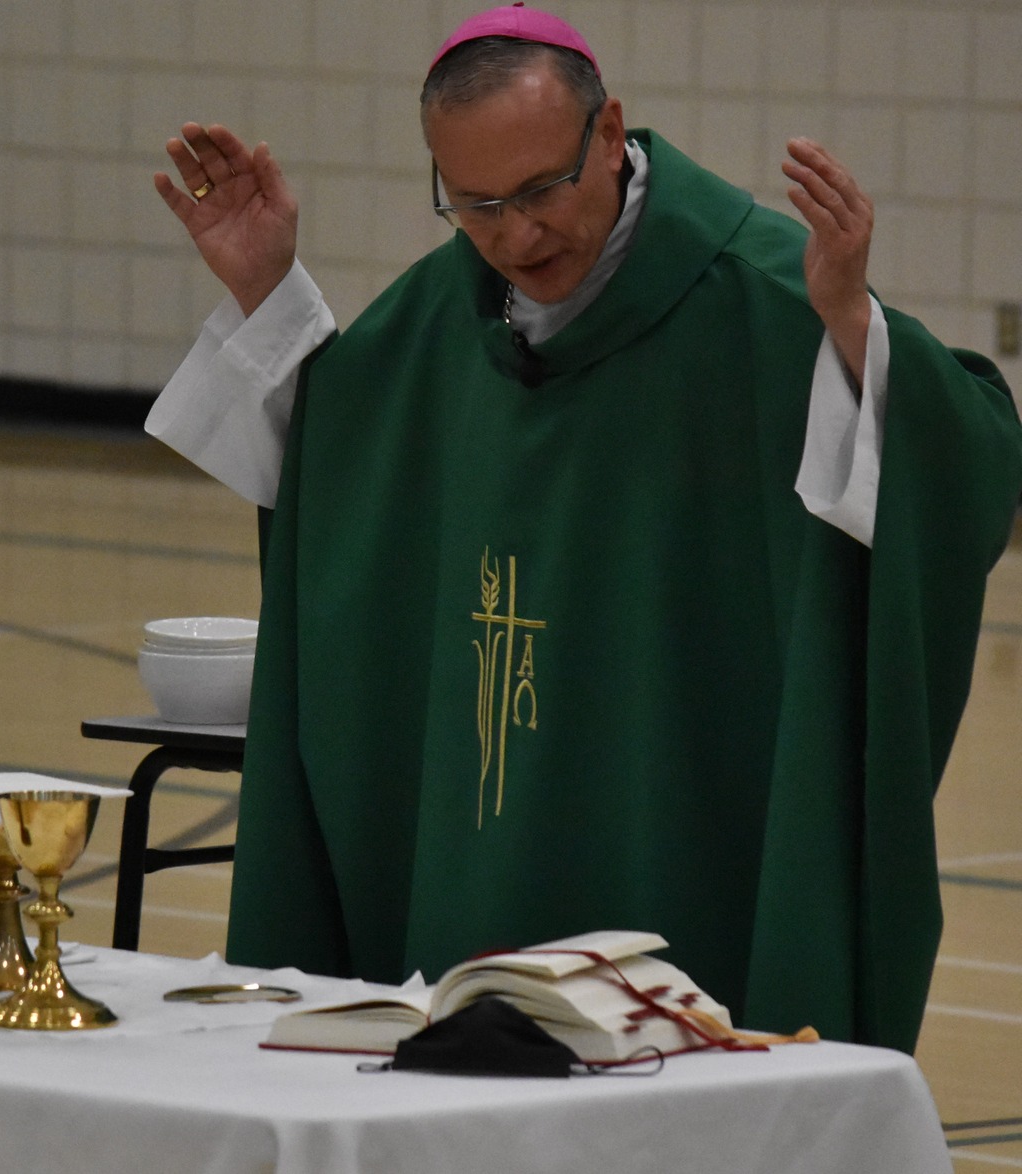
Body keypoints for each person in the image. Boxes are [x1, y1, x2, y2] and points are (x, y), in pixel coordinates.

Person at [148, 5, 1022, 1054]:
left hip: (690, 843)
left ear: (609, 134)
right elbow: (344, 475)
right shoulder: (437, 321)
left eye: (540, 191)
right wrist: (266, 292)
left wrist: (849, 327)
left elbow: (970, 472)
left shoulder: (761, 295)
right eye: (473, 206)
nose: (516, 236)